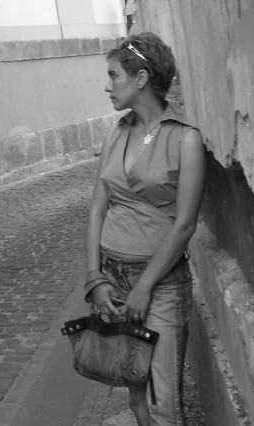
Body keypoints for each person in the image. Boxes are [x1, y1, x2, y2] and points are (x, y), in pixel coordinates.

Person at [83, 32, 206, 425]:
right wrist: (94, 279)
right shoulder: (116, 132)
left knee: (165, 400)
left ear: (140, 79)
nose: (107, 85)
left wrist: (144, 287)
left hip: (162, 284)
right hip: (114, 279)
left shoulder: (185, 140)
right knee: (133, 385)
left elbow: (184, 223)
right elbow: (98, 206)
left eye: (113, 75)